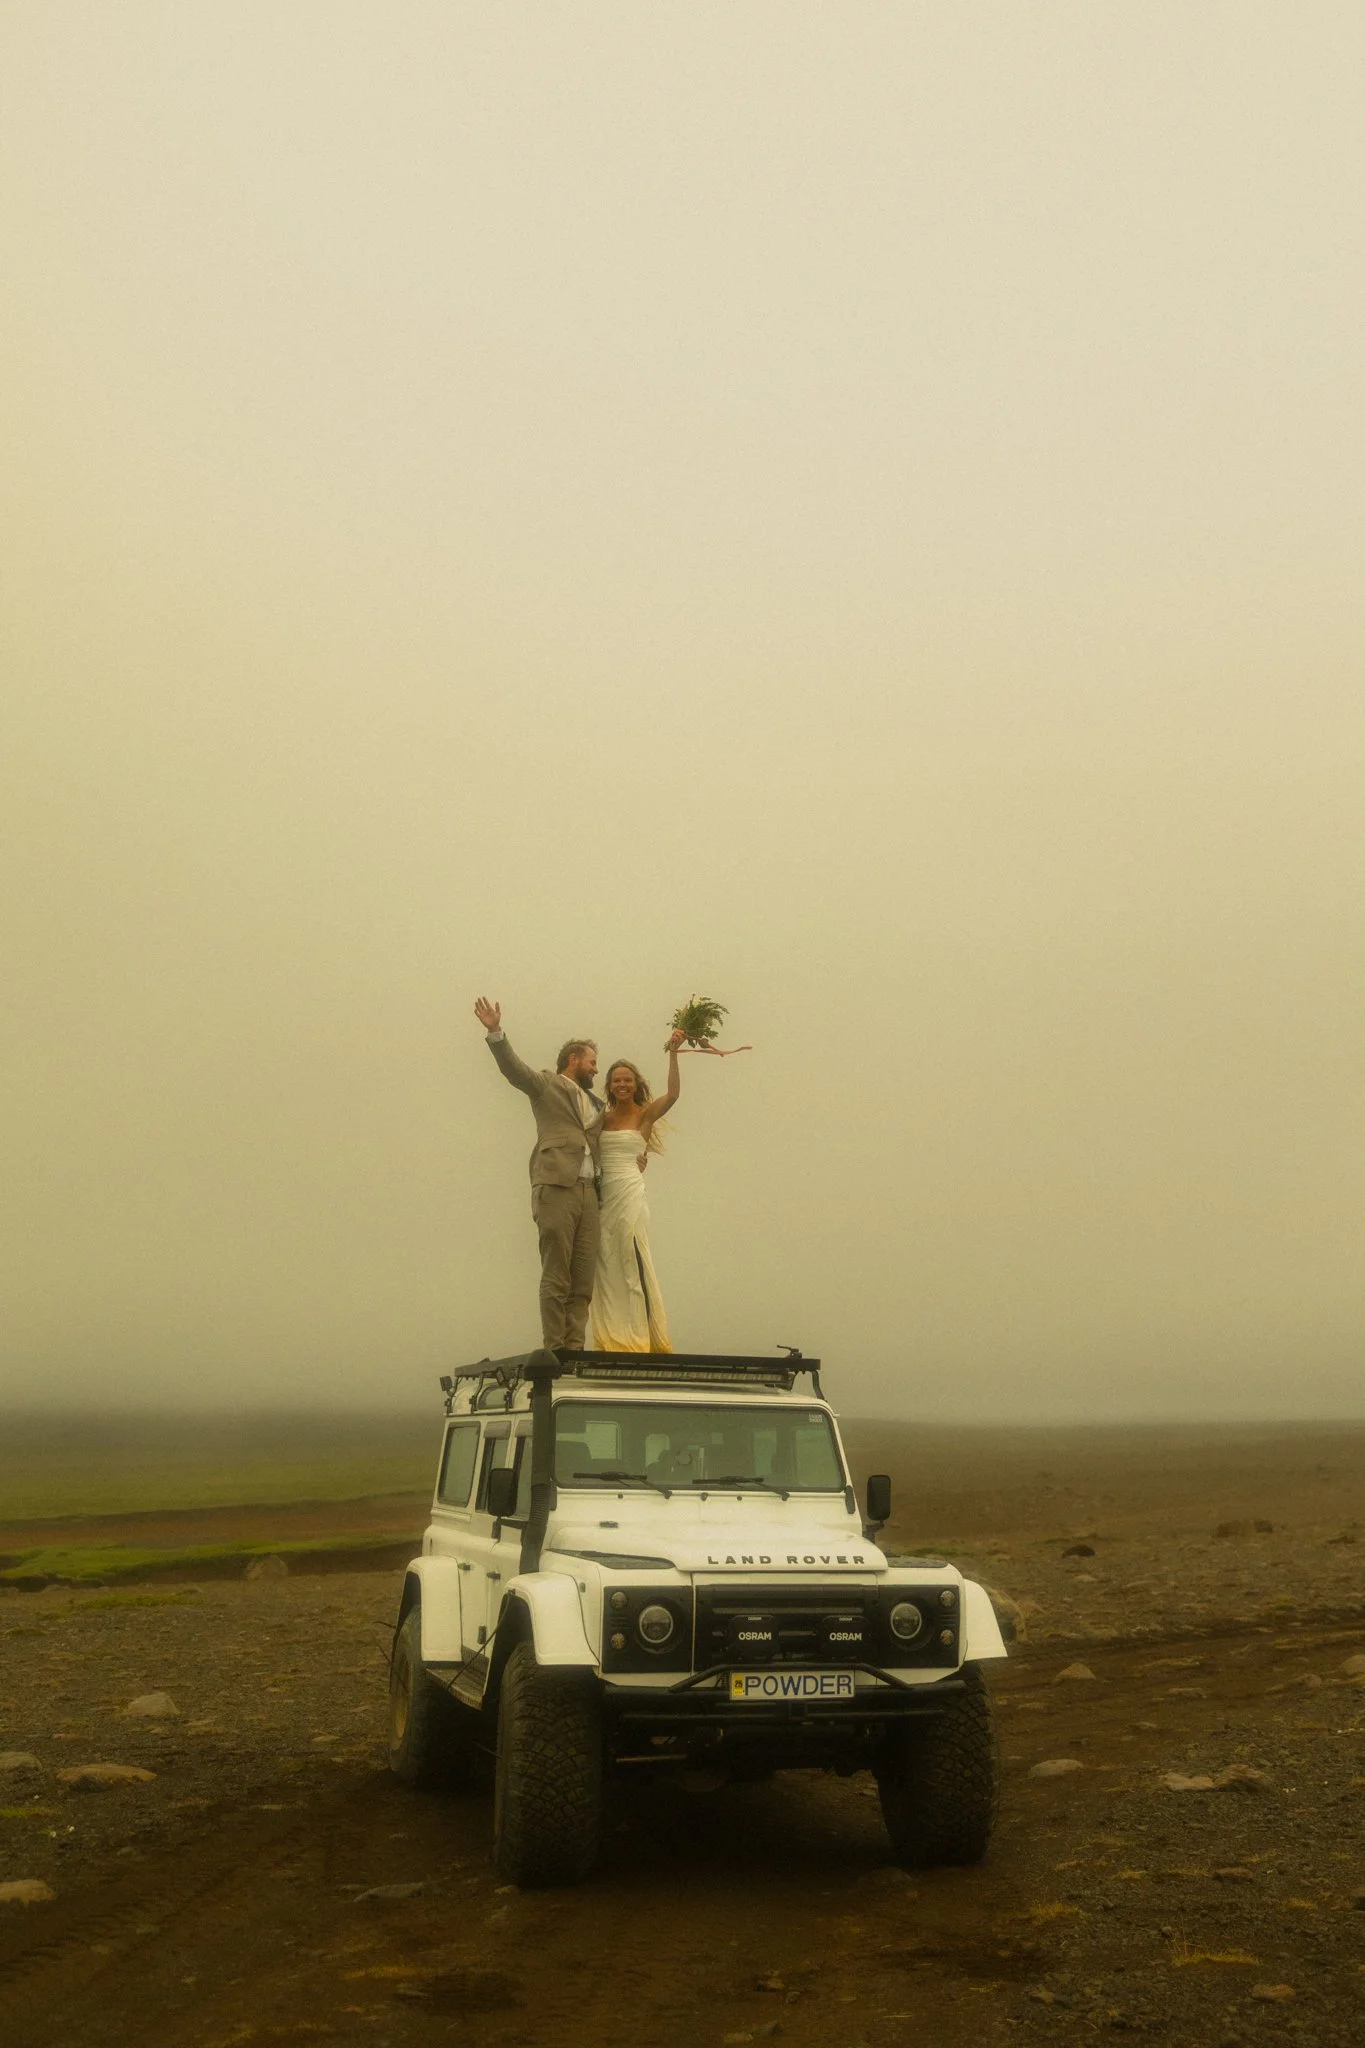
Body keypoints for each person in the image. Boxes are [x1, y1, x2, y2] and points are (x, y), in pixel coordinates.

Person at [473, 996, 606, 1350]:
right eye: (592, 1062)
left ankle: (575, 1349)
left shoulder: (598, 1105)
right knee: (557, 1273)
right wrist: (496, 1032)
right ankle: (554, 1348)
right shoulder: (548, 1084)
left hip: (590, 1193)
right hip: (556, 1186)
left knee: (582, 1279)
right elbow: (515, 1071)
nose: (596, 1069)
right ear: (573, 1060)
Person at [590, 1029, 686, 1354]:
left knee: (632, 1254)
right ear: (609, 1085)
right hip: (605, 1195)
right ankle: (613, 1339)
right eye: (616, 1080)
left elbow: (672, 1095)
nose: (621, 1085)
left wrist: (673, 1052)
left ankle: (643, 1338)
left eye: (627, 1080)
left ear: (636, 1083)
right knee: (607, 1261)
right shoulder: (600, 1119)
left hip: (631, 1190)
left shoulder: (644, 1114)